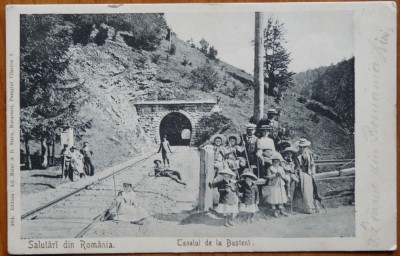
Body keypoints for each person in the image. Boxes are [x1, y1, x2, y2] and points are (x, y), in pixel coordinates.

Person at [292, 138, 320, 214]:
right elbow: (294, 165)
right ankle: (307, 208)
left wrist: (313, 173)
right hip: (300, 173)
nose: (302, 148)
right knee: (304, 190)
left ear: (306, 147)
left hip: (308, 173)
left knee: (311, 190)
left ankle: (313, 207)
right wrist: (295, 172)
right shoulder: (296, 154)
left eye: (303, 147)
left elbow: (312, 165)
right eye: (300, 147)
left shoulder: (309, 154)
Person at [266, 153, 289, 217]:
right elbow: (269, 176)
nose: (276, 163)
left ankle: (281, 210)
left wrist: (282, 176)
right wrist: (275, 175)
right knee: (274, 196)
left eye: (277, 162)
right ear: (272, 162)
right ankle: (274, 210)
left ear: (279, 162)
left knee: (280, 196)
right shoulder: (270, 168)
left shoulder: (281, 168)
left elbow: (284, 176)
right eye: (274, 162)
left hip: (280, 183)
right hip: (273, 184)